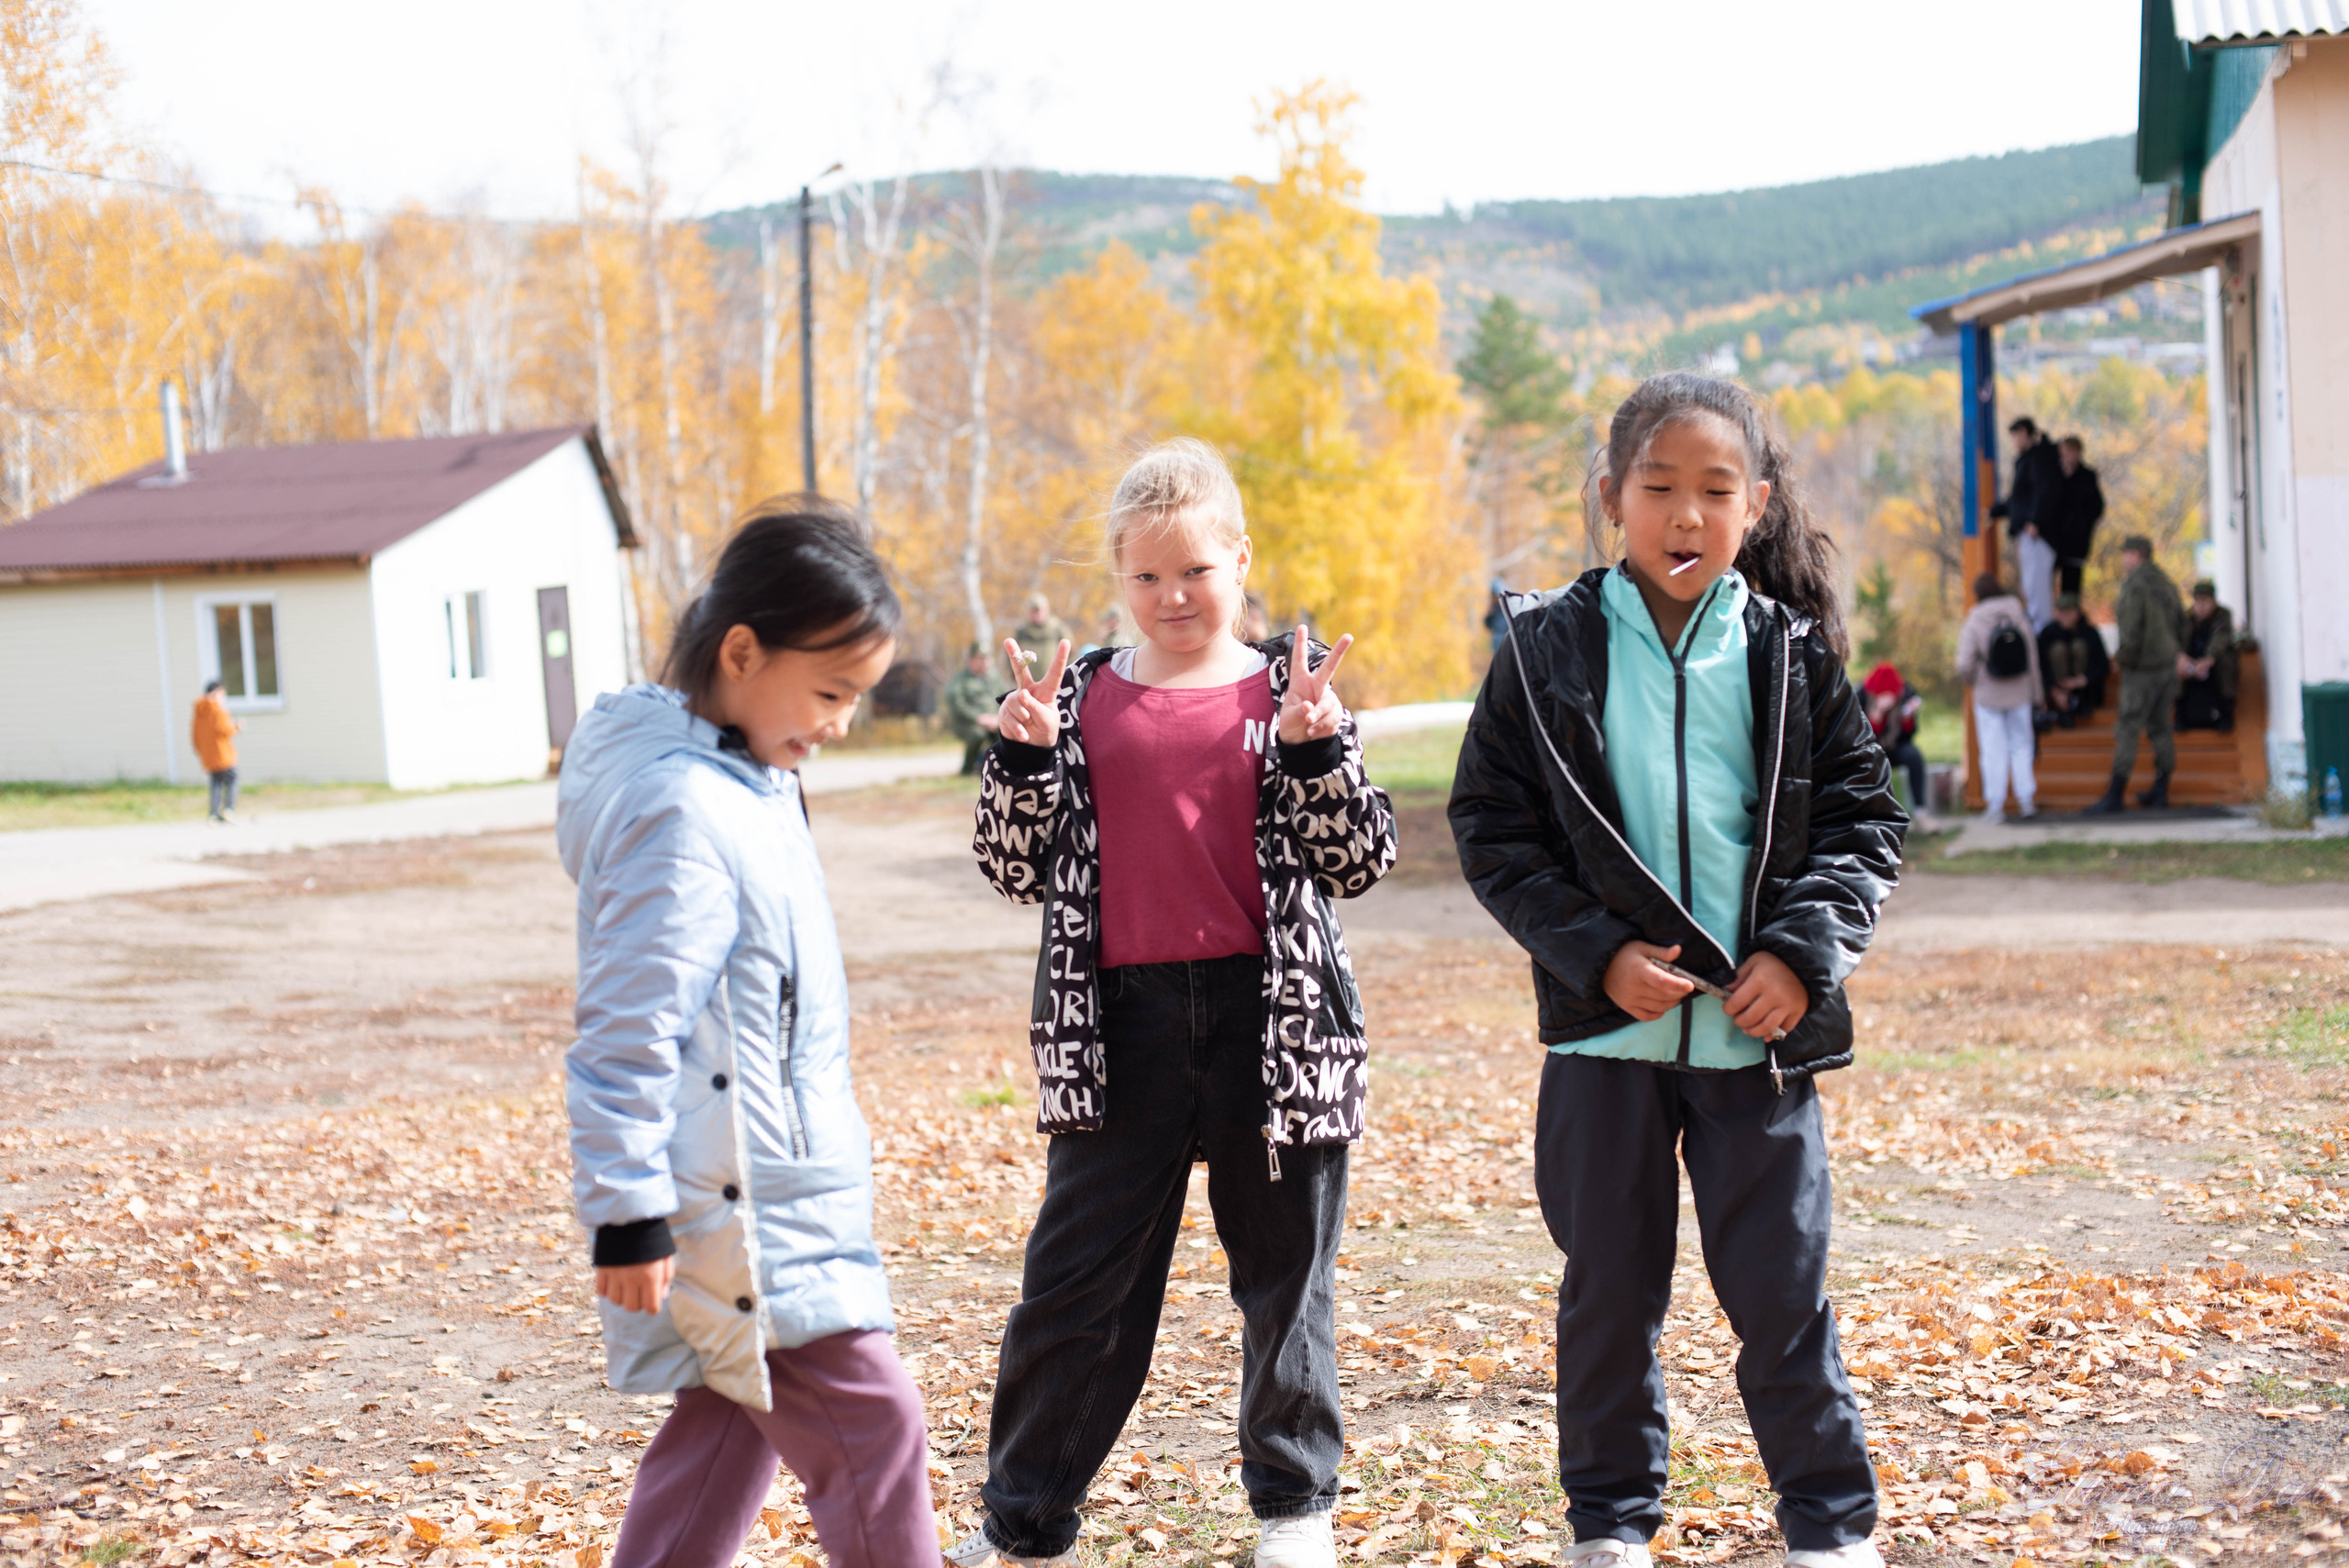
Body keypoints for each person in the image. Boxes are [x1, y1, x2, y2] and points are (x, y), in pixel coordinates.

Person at [1450, 373, 1906, 1568]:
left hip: (1758, 1042)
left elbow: (1864, 823)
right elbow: (1491, 825)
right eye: (1659, 488)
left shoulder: (1790, 654)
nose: (1685, 515)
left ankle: (1829, 1523)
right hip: (1605, 1043)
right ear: (1612, 497)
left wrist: (1802, 957)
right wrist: (1594, 954)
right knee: (1607, 1291)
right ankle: (1609, 1521)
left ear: (1755, 505)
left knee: (1781, 1295)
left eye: (1714, 491)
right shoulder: (1543, 648)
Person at [957, 438, 1397, 1568]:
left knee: (1284, 1281)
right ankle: (1024, 1521)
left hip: (1274, 1022)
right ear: (1118, 575)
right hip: (1117, 1029)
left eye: (1196, 571)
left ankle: (1295, 1514)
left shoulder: (1286, 695)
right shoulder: (1085, 696)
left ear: (1240, 559)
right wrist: (1019, 762)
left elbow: (1358, 862)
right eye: (1147, 576)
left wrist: (1317, 753)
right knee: (1075, 1288)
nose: (1173, 597)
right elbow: (1013, 868)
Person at [555, 500, 943, 1568]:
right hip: (740, 1204)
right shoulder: (687, 809)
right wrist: (627, 1214)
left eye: (858, 698)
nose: (841, 723)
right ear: (742, 651)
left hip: (774, 1179)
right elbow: (625, 1030)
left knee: (726, 1432)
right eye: (830, 692)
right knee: (876, 1429)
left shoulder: (748, 778)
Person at [2087, 535, 2188, 813]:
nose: (2123, 560)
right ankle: (2161, 791)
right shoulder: (2166, 584)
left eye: (2125, 554)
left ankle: (2115, 794)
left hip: (2141, 670)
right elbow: (2182, 623)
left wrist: (2121, 660)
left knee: (2128, 729)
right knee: (2161, 729)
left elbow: (2132, 629)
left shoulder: (2135, 585)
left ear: (2136, 555)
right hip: (2168, 668)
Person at [1956, 573, 2043, 823]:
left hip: (1988, 694)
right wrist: (2037, 693)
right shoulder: (2018, 612)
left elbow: (1964, 663)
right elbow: (2032, 656)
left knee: (1993, 750)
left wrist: (1975, 681)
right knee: (2022, 746)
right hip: (2020, 691)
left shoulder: (1975, 618)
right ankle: (2026, 801)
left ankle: (1995, 806)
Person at [1989, 417, 2065, 629]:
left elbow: (2045, 490)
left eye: (2014, 435)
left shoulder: (2039, 457)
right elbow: (2019, 498)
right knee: (2031, 586)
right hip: (2029, 531)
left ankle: (2042, 630)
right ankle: (2038, 627)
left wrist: (2035, 520)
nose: (2013, 440)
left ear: (2023, 432)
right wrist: (1996, 511)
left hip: (2038, 534)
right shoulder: (2031, 458)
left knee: (2037, 586)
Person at [1862, 662, 1931, 825]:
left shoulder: (1906, 693)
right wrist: (1877, 715)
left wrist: (1907, 719)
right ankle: (1869, 813)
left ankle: (1921, 811)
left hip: (1897, 746)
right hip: (1871, 748)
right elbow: (1861, 737)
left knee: (1913, 755)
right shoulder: (1861, 696)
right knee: (1864, 761)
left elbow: (1909, 735)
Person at [2042, 437, 2105, 600]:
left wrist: (2080, 524)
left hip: (2075, 543)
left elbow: (2096, 508)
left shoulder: (2087, 477)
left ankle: (2069, 620)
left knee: (2071, 589)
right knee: (2043, 584)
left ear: (2077, 453)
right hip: (2052, 541)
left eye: (2068, 453)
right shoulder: (2052, 475)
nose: (2064, 457)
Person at [2176, 579, 2238, 732]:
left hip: (2213, 663)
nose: (2200, 606)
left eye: (2205, 601)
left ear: (2214, 601)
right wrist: (2183, 659)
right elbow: (2178, 640)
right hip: (2192, 662)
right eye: (2197, 601)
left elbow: (2221, 638)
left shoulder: (2223, 615)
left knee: (2227, 661)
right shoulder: (2187, 618)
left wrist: (2209, 659)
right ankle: (2180, 715)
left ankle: (2225, 715)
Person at [942, 643, 1003, 774]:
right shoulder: (960, 679)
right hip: (967, 724)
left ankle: (997, 768)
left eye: (987, 658)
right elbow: (957, 704)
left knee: (1005, 733)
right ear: (971, 660)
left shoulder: (994, 679)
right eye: (980, 659)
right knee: (978, 734)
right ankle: (967, 769)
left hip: (994, 721)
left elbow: (1006, 698)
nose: (984, 662)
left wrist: (998, 718)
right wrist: (979, 718)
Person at [192, 679, 242, 823]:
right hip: (222, 753)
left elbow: (194, 734)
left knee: (216, 783)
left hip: (208, 754)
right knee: (232, 779)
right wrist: (237, 727)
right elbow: (224, 730)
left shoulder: (199, 711)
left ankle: (213, 814)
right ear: (217, 692)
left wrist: (201, 751)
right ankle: (229, 809)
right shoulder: (217, 709)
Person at [1010, 592, 1072, 671]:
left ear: (1046, 610)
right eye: (1033, 611)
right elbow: (1012, 657)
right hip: (1025, 680)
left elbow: (1070, 653)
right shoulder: (1021, 631)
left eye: (1038, 610)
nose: (1036, 614)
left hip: (1054, 680)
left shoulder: (1057, 629)